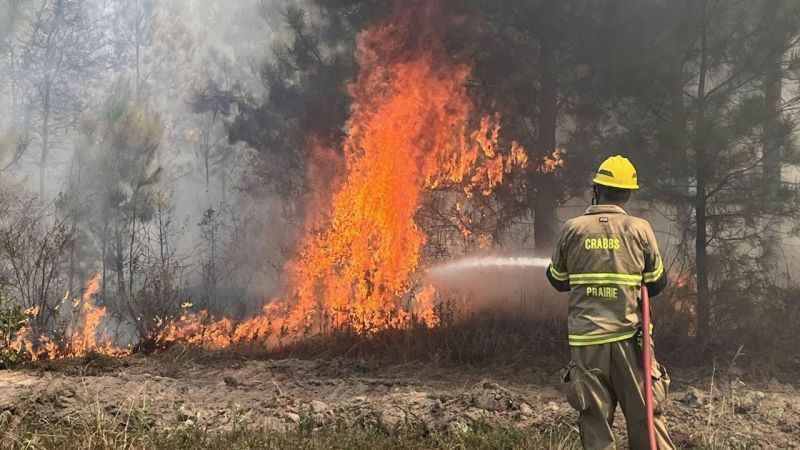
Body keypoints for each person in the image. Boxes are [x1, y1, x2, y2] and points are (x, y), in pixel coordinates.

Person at [545, 155, 675, 450]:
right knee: (646, 416)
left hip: (587, 341)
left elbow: (557, 280)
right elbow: (656, 283)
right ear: (628, 193)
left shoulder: (572, 229)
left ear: (597, 189)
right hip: (630, 339)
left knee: (594, 419)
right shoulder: (639, 229)